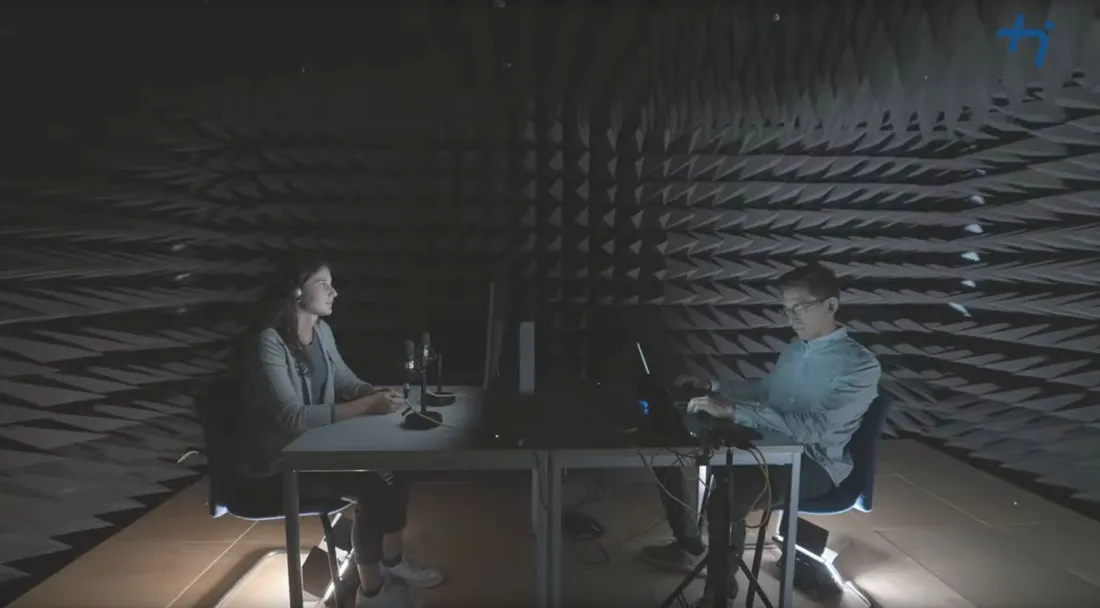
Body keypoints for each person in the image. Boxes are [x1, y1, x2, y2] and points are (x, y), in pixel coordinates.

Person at [638, 262, 881, 605]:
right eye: (786, 309)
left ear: (831, 305)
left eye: (800, 308)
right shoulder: (796, 348)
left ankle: (719, 593)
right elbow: (765, 391)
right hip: (770, 445)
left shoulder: (860, 365)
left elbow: (814, 429)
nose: (791, 317)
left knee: (728, 496)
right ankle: (689, 545)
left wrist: (735, 412)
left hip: (813, 465)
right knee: (674, 453)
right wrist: (716, 386)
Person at [236, 254, 443, 608]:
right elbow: (292, 417)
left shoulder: (321, 331)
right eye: (323, 284)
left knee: (398, 468)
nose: (334, 292)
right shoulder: (269, 342)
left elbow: (344, 379)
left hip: (320, 450)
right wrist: (366, 407)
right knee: (373, 484)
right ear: (295, 290)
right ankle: (372, 592)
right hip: (285, 462)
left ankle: (393, 563)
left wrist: (370, 392)